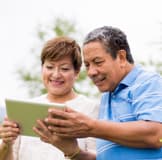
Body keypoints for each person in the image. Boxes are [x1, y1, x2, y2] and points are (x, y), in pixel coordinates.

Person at [40, 26, 162, 160]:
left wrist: (90, 127)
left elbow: (157, 135)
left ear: (121, 57)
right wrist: (72, 150)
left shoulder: (148, 82)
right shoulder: (106, 98)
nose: (91, 72)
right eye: (87, 65)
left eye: (98, 62)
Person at [0, 36, 98, 160]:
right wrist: (6, 143)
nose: (56, 75)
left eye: (64, 69)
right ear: (42, 68)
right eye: (50, 67)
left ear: (77, 72)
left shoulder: (91, 109)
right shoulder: (25, 109)